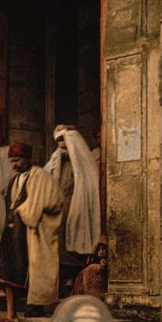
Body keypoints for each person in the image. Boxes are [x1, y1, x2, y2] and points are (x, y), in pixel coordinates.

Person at [0, 143, 63, 322]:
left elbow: (45, 202)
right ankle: (12, 314)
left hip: (35, 229)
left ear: (28, 159)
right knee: (8, 266)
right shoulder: (13, 180)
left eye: (18, 160)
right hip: (16, 230)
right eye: (12, 161)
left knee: (36, 264)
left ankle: (36, 305)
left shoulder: (39, 175)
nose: (14, 164)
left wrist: (21, 211)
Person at [45, 125, 101, 296]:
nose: (61, 144)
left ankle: (75, 281)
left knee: (75, 241)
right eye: (58, 141)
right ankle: (62, 282)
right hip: (59, 209)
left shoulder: (82, 159)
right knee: (60, 243)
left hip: (77, 206)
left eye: (64, 140)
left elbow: (88, 184)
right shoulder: (56, 159)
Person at [72, 236, 109, 302]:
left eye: (103, 249)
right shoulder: (92, 267)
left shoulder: (104, 262)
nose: (101, 252)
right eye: (98, 250)